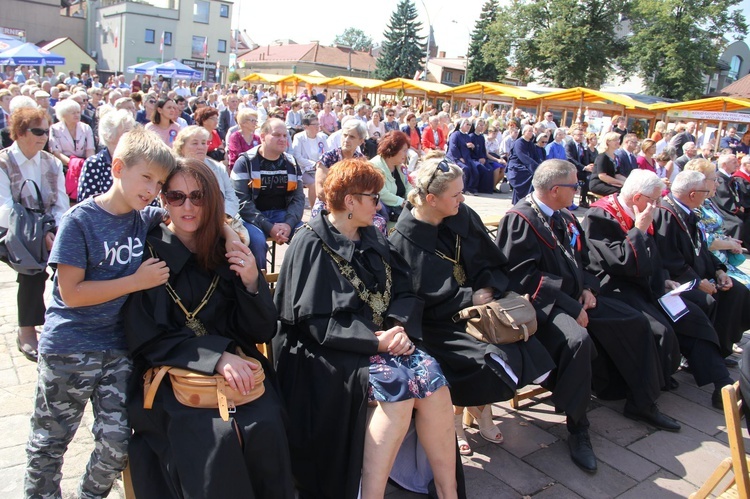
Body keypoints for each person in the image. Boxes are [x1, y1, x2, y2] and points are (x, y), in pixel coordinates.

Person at [273, 158, 461, 499]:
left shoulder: (372, 235)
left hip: (383, 341)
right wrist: (376, 343)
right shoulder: (310, 242)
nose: (380, 203)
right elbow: (312, 322)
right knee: (398, 391)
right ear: (350, 202)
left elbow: (405, 290)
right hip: (324, 353)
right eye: (373, 197)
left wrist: (397, 327)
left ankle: (449, 493)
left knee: (433, 380)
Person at [123, 158, 295, 499]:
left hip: (235, 369)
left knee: (266, 421)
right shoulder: (146, 251)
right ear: (163, 200)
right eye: (176, 196)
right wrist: (215, 357)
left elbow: (261, 330)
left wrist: (250, 283)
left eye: (198, 197)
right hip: (170, 375)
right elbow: (143, 336)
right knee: (216, 437)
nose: (187, 207)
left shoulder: (226, 250)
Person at [496, 160, 681, 472]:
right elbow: (522, 278)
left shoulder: (566, 216)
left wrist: (589, 289)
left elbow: (585, 261)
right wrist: (572, 306)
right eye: (573, 186)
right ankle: (578, 426)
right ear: (555, 190)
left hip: (578, 296)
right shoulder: (521, 219)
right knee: (577, 340)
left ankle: (641, 401)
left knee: (634, 321)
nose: (578, 190)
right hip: (546, 306)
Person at [23, 128, 177, 498]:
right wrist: (136, 281)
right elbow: (71, 293)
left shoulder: (144, 217)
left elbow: (193, 214)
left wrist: (233, 231)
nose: (153, 190)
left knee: (115, 442)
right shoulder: (80, 221)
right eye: (146, 178)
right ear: (118, 167)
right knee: (50, 443)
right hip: (69, 348)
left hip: (117, 348)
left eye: (158, 183)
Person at [390, 155, 554, 456]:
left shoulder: (461, 215)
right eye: (455, 194)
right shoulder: (404, 239)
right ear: (431, 199)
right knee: (487, 359)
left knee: (520, 342)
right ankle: (458, 416)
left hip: (481, 306)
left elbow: (490, 260)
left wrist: (487, 287)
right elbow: (418, 299)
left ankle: (479, 408)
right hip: (437, 322)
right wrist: (468, 299)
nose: (462, 198)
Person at [583, 169, 731, 409]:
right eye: (655, 199)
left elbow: (655, 258)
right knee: (660, 330)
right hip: (616, 288)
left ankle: (721, 383)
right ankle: (645, 397)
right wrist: (638, 230)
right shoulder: (601, 215)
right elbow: (617, 263)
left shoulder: (642, 212)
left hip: (649, 286)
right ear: (638, 197)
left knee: (693, 315)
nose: (659, 204)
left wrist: (663, 279)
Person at [652, 170, 750, 370]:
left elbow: (701, 249)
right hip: (679, 279)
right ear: (693, 194)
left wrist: (719, 271)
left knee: (738, 291)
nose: (707, 196)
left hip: (699, 272)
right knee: (709, 300)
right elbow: (670, 260)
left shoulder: (689, 212)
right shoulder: (666, 214)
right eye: (705, 192)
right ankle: (698, 356)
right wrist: (698, 281)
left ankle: (719, 349)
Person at [0, 108, 69, 362]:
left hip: (46, 227)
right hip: (12, 230)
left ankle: (64, 322)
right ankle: (26, 330)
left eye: (46, 132)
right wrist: (40, 235)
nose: (43, 137)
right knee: (32, 267)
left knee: (70, 257)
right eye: (37, 131)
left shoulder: (51, 162)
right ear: (19, 133)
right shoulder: (4, 162)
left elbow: (61, 203)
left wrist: (56, 232)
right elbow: (4, 209)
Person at [231, 118, 305, 272]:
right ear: (263, 136)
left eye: (285, 136)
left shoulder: (291, 163)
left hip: (282, 215)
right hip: (251, 218)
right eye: (277, 135)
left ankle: (294, 283)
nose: (283, 139)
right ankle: (259, 288)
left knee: (307, 237)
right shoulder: (245, 162)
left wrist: (289, 223)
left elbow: (298, 199)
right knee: (256, 242)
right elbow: (242, 202)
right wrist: (268, 226)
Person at [173, 126, 239, 217]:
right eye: (195, 143)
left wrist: (224, 216)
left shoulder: (219, 168)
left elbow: (231, 196)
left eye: (204, 143)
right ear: (181, 147)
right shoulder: (173, 169)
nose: (201, 147)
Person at [77, 109, 136, 202]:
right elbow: (85, 206)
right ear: (109, 135)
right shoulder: (94, 164)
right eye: (127, 132)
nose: (133, 136)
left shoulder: (139, 162)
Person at [48, 99, 96, 201]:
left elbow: (90, 150)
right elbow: (56, 152)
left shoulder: (86, 128)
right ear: (63, 114)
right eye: (72, 113)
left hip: (83, 164)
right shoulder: (54, 129)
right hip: (64, 165)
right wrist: (73, 164)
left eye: (78, 112)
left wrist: (88, 165)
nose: (76, 115)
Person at [370, 130, 411, 224]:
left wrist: (411, 198)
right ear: (393, 149)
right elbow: (382, 193)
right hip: (386, 217)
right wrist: (402, 202)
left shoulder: (399, 165)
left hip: (401, 212)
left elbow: (407, 185)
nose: (406, 154)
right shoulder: (374, 166)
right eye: (404, 150)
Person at [712, 153, 750, 249]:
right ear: (724, 165)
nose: (737, 164)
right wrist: (737, 209)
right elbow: (724, 199)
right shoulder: (720, 179)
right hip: (723, 209)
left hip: (733, 207)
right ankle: (730, 248)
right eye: (733, 162)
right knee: (738, 223)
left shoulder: (730, 178)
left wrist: (742, 205)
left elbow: (738, 194)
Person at [292, 112, 329, 208]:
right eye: (315, 124)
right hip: (304, 169)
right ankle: (314, 210)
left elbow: (327, 154)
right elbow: (297, 156)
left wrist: (321, 165)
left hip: (320, 168)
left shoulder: (323, 137)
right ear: (306, 126)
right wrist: (314, 164)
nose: (318, 126)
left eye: (318, 124)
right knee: (313, 184)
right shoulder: (299, 137)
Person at [506, 124, 541, 203]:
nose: (531, 133)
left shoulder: (531, 144)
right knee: (530, 175)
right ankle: (523, 200)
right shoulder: (519, 142)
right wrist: (534, 166)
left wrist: (541, 165)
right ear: (524, 132)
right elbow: (522, 156)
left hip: (526, 165)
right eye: (529, 131)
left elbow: (536, 157)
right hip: (516, 166)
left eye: (532, 131)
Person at [447, 119, 482, 195]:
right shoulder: (455, 134)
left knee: (475, 170)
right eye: (467, 124)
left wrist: (472, 147)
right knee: (465, 169)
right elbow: (453, 147)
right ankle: (463, 189)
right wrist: (459, 157)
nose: (469, 126)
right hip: (455, 157)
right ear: (461, 125)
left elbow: (469, 149)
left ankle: (472, 188)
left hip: (466, 157)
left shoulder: (467, 136)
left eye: (470, 125)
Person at [589, 131, 626, 196]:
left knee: (627, 190)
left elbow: (617, 175)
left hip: (609, 183)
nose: (618, 142)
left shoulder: (616, 157)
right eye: (615, 140)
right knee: (620, 193)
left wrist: (628, 182)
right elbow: (602, 176)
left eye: (618, 139)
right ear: (608, 142)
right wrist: (619, 182)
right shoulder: (602, 156)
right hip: (598, 184)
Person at [565, 126, 594, 208]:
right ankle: (570, 201)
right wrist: (584, 167)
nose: (581, 136)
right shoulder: (569, 144)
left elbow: (585, 158)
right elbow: (570, 158)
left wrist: (588, 166)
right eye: (578, 134)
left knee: (589, 177)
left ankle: (584, 200)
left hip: (580, 169)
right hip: (571, 169)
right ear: (573, 135)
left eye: (582, 135)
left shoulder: (582, 146)